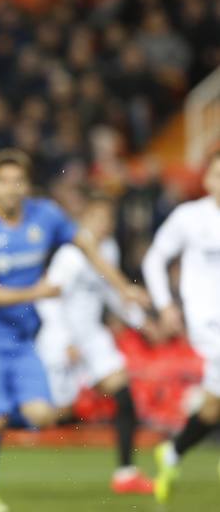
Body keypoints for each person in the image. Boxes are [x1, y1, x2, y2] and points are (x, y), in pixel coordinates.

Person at [0, 149, 150, 512]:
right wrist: (37, 292)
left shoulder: (45, 216)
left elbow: (87, 246)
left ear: (27, 185)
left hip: (23, 334)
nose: (12, 189)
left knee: (43, 415)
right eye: (3, 181)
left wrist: (123, 287)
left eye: (18, 181)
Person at [34, 194, 153, 494]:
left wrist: (143, 322)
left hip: (92, 337)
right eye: (98, 219)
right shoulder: (70, 255)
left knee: (124, 394)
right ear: (84, 221)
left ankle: (126, 473)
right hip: (64, 340)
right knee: (52, 413)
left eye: (108, 220)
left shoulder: (108, 250)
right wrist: (65, 341)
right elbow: (48, 300)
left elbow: (111, 294)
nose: (104, 226)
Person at [143, 150, 220, 504]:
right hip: (207, 321)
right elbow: (155, 258)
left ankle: (171, 453)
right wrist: (166, 305)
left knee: (212, 408)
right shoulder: (190, 217)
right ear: (207, 180)